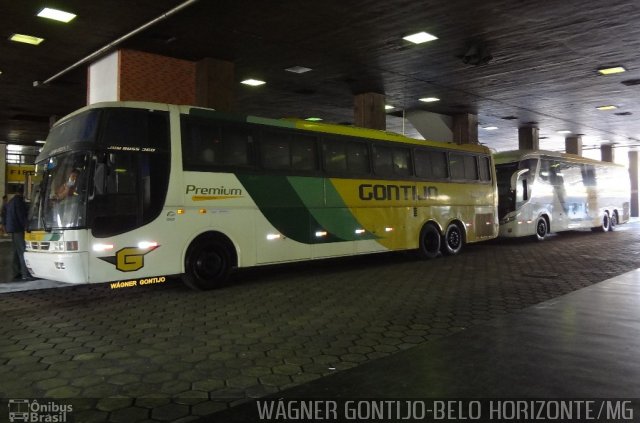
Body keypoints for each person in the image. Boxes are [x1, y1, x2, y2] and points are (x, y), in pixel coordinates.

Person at [5, 187, 33, 281]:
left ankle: (16, 272)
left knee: (16, 252)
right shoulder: (18, 202)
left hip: (12, 229)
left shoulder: (11, 201)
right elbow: (21, 216)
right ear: (23, 192)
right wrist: (27, 226)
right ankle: (25, 274)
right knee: (22, 251)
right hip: (18, 229)